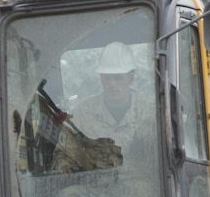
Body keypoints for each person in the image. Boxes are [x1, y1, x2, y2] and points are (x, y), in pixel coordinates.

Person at [53, 41, 155, 176]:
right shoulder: (82, 114)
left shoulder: (150, 113)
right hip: (94, 187)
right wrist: (64, 166)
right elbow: (63, 153)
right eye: (107, 78)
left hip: (136, 186)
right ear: (101, 79)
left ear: (130, 79)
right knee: (68, 196)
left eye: (118, 78)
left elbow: (163, 158)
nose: (112, 84)